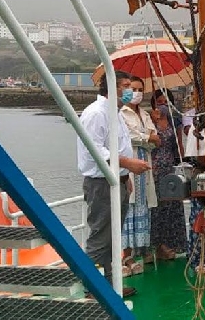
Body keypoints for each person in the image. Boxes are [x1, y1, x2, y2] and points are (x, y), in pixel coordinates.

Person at [77, 70, 151, 297]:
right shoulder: (96, 114)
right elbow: (96, 150)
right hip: (101, 184)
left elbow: (117, 148)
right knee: (100, 237)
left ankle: (110, 285)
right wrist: (128, 165)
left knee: (113, 236)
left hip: (115, 180)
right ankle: (93, 288)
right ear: (111, 87)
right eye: (126, 85)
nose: (130, 91)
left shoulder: (114, 112)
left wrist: (124, 176)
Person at [119, 76, 161, 274]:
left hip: (145, 163)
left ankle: (140, 250)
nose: (136, 93)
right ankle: (125, 255)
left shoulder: (145, 114)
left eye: (139, 89)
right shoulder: (121, 113)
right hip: (130, 162)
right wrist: (147, 137)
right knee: (129, 207)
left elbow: (155, 138)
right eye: (132, 88)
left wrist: (147, 138)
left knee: (143, 206)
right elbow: (129, 136)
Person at [149, 94, 187, 260]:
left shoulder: (173, 119)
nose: (163, 105)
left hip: (170, 167)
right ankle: (158, 246)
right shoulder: (148, 120)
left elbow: (178, 143)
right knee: (158, 209)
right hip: (154, 168)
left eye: (166, 102)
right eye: (159, 102)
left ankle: (173, 244)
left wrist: (182, 163)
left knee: (173, 206)